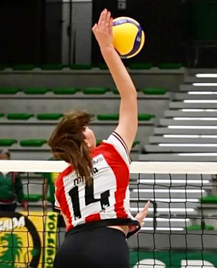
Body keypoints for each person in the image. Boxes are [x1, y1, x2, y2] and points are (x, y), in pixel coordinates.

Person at [48, 9, 150, 268]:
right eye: (86, 127)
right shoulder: (112, 151)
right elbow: (129, 96)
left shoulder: (61, 182)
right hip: (108, 248)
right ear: (85, 137)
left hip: (70, 250)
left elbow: (87, 223)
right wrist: (108, 49)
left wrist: (127, 222)